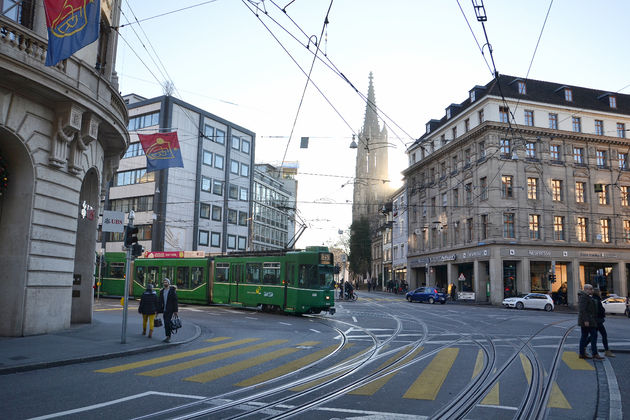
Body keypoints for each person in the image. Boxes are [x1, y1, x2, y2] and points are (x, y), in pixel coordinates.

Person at [578, 284, 603, 360]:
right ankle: (594, 353)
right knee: (592, 335)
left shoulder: (587, 297)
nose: (592, 290)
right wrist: (586, 320)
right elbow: (583, 310)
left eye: (592, 289)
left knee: (586, 336)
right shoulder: (584, 297)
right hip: (588, 320)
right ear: (586, 289)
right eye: (590, 289)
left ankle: (583, 353)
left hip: (590, 320)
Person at [592, 288, 615, 358]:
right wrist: (603, 311)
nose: (601, 293)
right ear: (597, 292)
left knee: (593, 336)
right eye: (600, 292)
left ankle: (584, 347)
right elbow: (599, 310)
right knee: (603, 335)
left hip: (595, 320)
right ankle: (606, 351)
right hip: (598, 320)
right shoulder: (597, 300)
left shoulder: (595, 299)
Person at [158, 278, 178, 343]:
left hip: (170, 310)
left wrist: (175, 311)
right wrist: (157, 311)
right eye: (164, 282)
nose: (165, 283)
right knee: (166, 323)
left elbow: (175, 301)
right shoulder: (162, 291)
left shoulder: (172, 291)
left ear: (169, 283)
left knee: (167, 323)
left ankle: (168, 337)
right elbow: (160, 302)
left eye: (166, 282)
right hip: (164, 310)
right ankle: (168, 335)